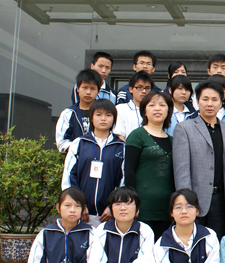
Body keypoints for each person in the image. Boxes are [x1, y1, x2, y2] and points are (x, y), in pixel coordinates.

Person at [173, 81, 225, 241]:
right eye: (205, 99)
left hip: (222, 202)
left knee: (219, 245)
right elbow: (181, 171)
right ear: (197, 101)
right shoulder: (184, 128)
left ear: (221, 103)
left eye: (214, 100)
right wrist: (186, 204)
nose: (210, 104)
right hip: (196, 200)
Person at [62, 99, 124, 227]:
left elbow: (123, 180)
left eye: (108, 115)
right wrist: (77, 204)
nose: (103, 119)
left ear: (114, 118)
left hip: (108, 215)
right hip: (81, 214)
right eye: (98, 114)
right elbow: (69, 176)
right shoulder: (79, 143)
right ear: (91, 117)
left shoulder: (121, 147)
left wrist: (113, 206)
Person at [124, 91, 175, 239]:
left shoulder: (173, 140)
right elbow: (129, 171)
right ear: (144, 111)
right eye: (152, 105)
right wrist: (132, 203)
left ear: (168, 111)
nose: (157, 108)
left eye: (162, 105)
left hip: (167, 208)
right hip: (143, 207)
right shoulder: (137, 135)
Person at [57, 69, 102, 153]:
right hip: (75, 158)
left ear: (98, 91)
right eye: (84, 87)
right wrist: (82, 148)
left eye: (93, 88)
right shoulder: (68, 113)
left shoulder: (105, 114)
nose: (88, 92)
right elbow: (62, 143)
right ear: (77, 89)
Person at [113, 71, 155, 141]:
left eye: (147, 88)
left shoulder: (155, 110)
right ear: (130, 89)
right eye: (139, 87)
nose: (144, 91)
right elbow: (119, 135)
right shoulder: (120, 109)